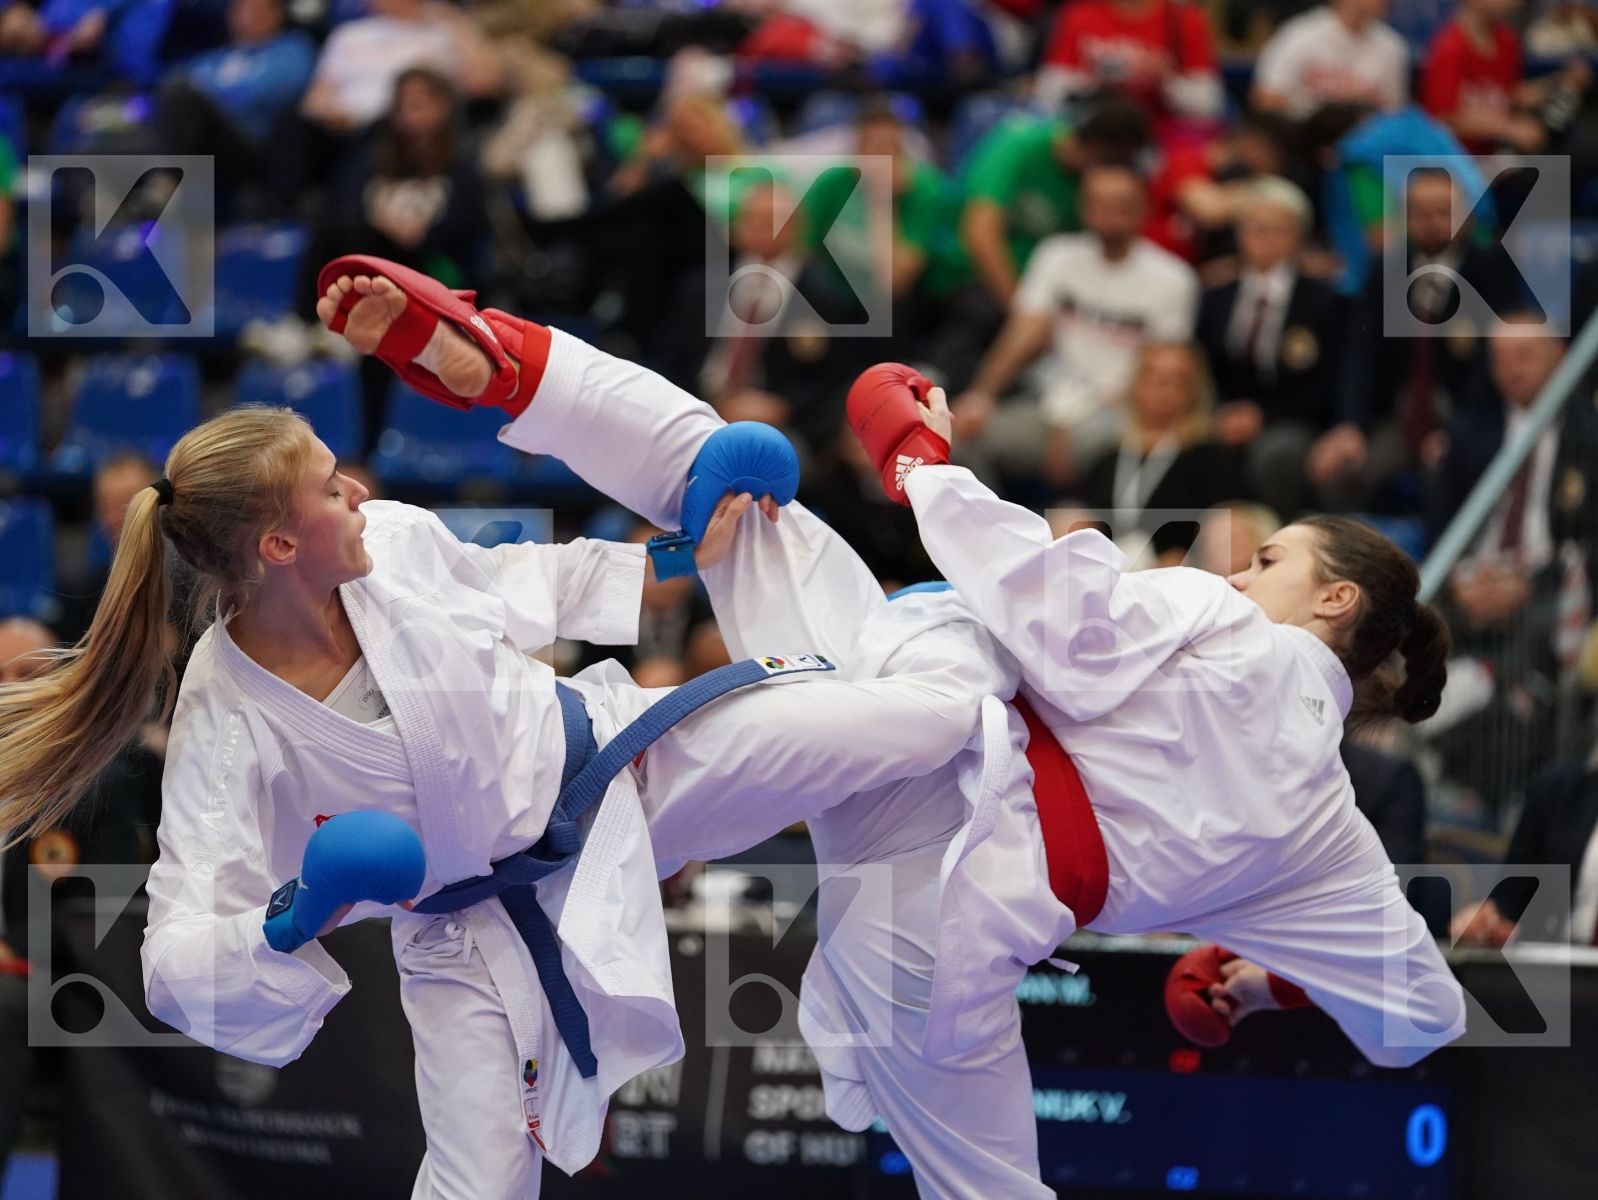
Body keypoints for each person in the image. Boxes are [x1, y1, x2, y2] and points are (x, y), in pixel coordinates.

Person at [325, 263, 1467, 1198]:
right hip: (928, 926)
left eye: (1271, 560)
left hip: (921, 715)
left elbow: (1066, 618)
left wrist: (924, 469)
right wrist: (1258, 982)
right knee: (986, 1191)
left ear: (1334, 606)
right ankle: (526, 838)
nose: (1236, 566)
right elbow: (1417, 1016)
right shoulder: (1331, 846)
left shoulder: (1232, 628)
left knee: (723, 487)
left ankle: (512, 363)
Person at [0, 322, 1005, 1196]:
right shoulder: (229, 724)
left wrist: (674, 555)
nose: (355, 489)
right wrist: (295, 913)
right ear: (274, 547)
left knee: (931, 720)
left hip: (627, 769)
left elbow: (513, 578)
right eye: (325, 487)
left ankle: (1059, 827)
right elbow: (175, 956)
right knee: (477, 1182)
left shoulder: (386, 538)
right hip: (466, 933)